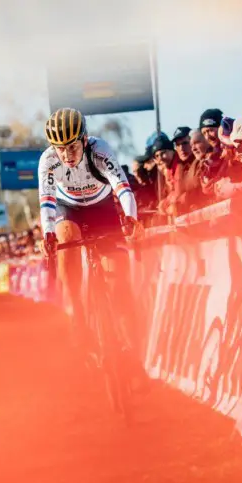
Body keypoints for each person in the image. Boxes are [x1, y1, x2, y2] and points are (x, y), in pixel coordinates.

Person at [37, 107, 144, 363]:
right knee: (66, 237)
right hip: (69, 208)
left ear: (85, 139)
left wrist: (131, 218)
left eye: (72, 146)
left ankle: (130, 340)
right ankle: (78, 315)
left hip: (101, 207)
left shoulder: (100, 150)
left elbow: (123, 188)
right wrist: (48, 234)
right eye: (60, 148)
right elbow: (47, 202)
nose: (66, 154)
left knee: (118, 279)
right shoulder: (48, 161)